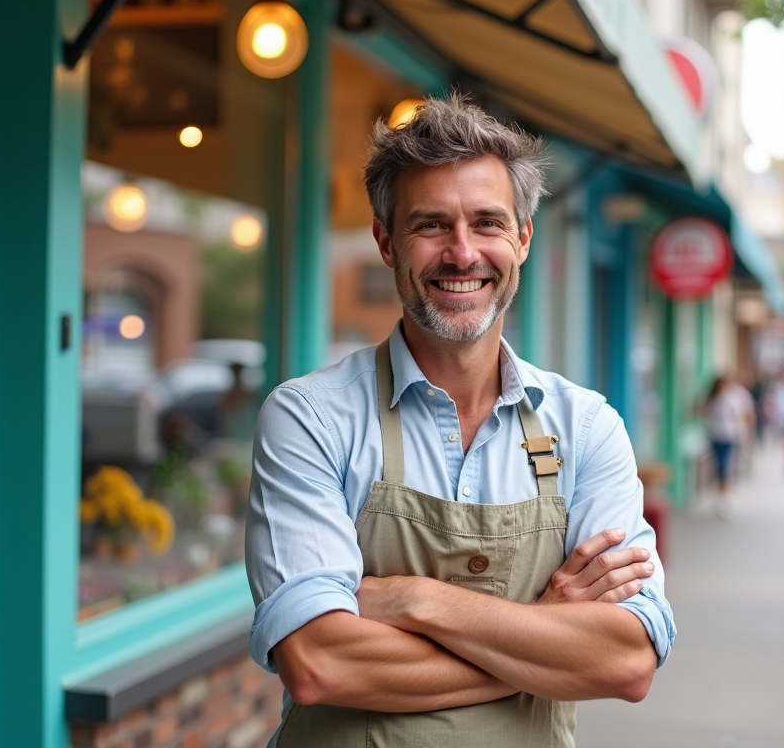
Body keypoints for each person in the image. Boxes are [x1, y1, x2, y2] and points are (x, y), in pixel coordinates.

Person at [246, 94, 674, 747]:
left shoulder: (587, 427)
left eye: (488, 223)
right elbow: (318, 662)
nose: (462, 252)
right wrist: (543, 633)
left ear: (523, 239)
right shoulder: (310, 418)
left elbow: (626, 660)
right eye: (431, 225)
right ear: (386, 243)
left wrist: (418, 602)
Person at [703, 375, 749, 515]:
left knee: (726, 466)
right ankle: (722, 494)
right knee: (719, 466)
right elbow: (704, 412)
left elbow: (740, 416)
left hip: (729, 437)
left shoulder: (732, 399)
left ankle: (725, 495)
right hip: (716, 436)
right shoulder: (713, 400)